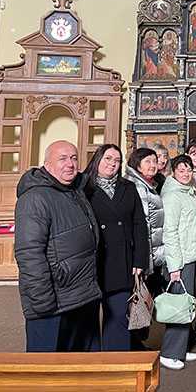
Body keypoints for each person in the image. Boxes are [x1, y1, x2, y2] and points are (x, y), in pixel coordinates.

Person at [14, 140, 100, 352]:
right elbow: (29, 254)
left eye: (73, 158)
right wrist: (42, 302)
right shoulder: (34, 198)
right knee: (47, 366)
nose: (70, 164)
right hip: (53, 302)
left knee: (81, 365)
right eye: (62, 159)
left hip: (81, 296)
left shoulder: (76, 191)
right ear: (47, 165)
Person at [82, 144, 149, 351]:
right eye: (108, 158)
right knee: (88, 321)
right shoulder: (83, 187)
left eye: (117, 160)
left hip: (122, 261)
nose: (113, 164)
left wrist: (140, 260)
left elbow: (139, 225)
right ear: (97, 160)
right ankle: (92, 361)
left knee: (118, 316)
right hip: (92, 262)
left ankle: (116, 361)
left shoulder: (127, 187)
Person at [161, 154, 196, 370]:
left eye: (189, 170)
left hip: (191, 256)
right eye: (181, 170)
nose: (186, 173)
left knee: (188, 305)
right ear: (173, 172)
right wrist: (174, 266)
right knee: (178, 307)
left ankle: (182, 347)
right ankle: (169, 352)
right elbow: (169, 233)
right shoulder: (172, 196)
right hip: (180, 260)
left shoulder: (188, 192)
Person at [126, 147, 166, 349]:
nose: (153, 165)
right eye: (148, 161)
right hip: (143, 256)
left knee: (145, 300)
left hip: (152, 253)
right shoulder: (137, 187)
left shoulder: (150, 184)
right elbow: (143, 226)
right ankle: (133, 345)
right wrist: (144, 260)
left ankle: (137, 343)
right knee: (138, 300)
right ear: (137, 165)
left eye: (154, 161)